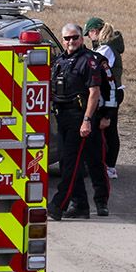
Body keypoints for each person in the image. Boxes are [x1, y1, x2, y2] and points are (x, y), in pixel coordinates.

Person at [48, 23, 111, 220]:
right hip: (62, 116)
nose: (71, 41)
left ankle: (58, 205)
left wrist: (88, 120)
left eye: (74, 37)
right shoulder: (59, 61)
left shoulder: (89, 61)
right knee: (66, 161)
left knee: (77, 163)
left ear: (81, 38)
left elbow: (95, 93)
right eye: (67, 38)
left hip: (80, 117)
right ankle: (81, 205)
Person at [84, 17, 125, 179]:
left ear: (94, 31)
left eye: (89, 34)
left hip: (111, 94)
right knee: (107, 129)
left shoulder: (106, 49)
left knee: (109, 129)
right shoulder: (108, 47)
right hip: (111, 92)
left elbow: (93, 64)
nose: (89, 37)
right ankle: (105, 164)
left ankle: (110, 167)